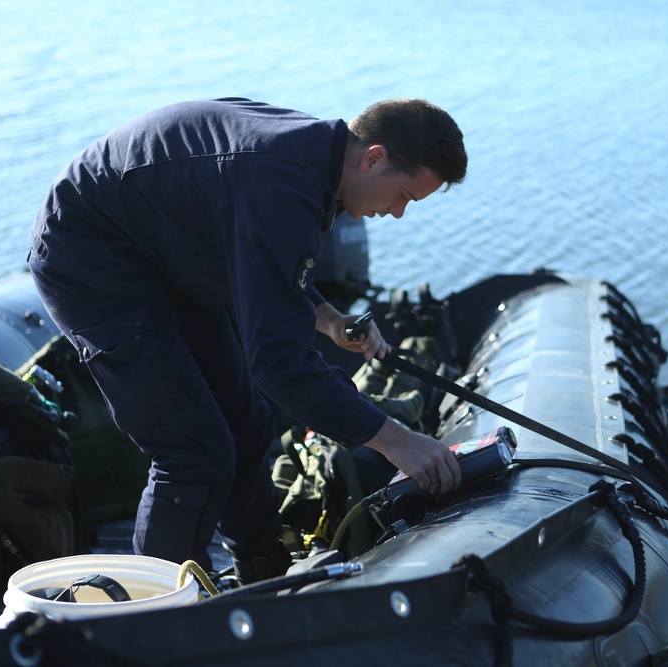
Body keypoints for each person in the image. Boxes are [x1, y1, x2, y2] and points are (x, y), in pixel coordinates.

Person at [27, 97, 467, 582]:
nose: (400, 213)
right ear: (374, 158)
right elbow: (278, 365)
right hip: (92, 256)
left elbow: (267, 261)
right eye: (405, 195)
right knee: (193, 451)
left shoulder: (314, 159)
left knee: (246, 424)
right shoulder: (281, 182)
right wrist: (396, 441)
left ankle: (263, 573)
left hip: (169, 255)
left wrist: (328, 319)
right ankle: (145, 614)